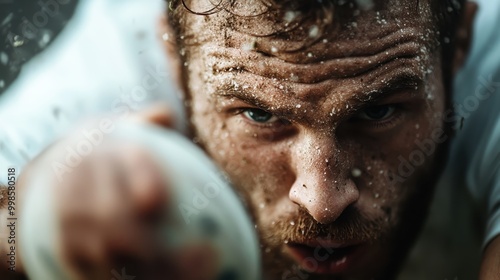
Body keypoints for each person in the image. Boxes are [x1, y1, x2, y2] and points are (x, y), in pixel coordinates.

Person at [1, 0, 497, 279]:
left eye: (377, 111)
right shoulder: (124, 61)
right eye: (260, 115)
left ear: (457, 46)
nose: (322, 202)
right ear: (174, 62)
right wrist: (29, 219)